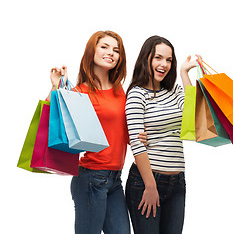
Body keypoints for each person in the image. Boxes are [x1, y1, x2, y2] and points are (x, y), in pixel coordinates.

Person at [47, 30, 146, 234]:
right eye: (104, 47)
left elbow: (121, 132)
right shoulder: (80, 92)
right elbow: (51, 121)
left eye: (116, 50)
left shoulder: (120, 91)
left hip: (115, 179)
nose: (111, 52)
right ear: (92, 51)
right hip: (90, 178)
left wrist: (138, 135)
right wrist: (56, 88)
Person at [125, 35, 201, 234]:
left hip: (177, 183)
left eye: (169, 60)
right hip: (146, 181)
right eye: (158, 58)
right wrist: (150, 186)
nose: (164, 64)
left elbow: (192, 120)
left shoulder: (174, 91)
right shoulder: (136, 94)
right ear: (146, 58)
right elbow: (136, 142)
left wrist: (185, 74)